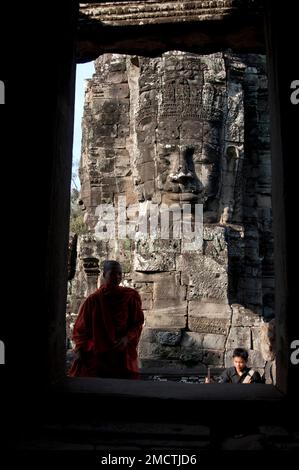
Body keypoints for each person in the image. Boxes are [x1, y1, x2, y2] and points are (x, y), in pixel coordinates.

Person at [68, 260, 144, 379]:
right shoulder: (93, 300)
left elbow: (137, 323)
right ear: (104, 275)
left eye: (120, 273)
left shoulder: (130, 297)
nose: (117, 277)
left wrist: (127, 338)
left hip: (121, 353)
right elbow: (80, 330)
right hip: (99, 354)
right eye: (113, 273)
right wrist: (80, 349)